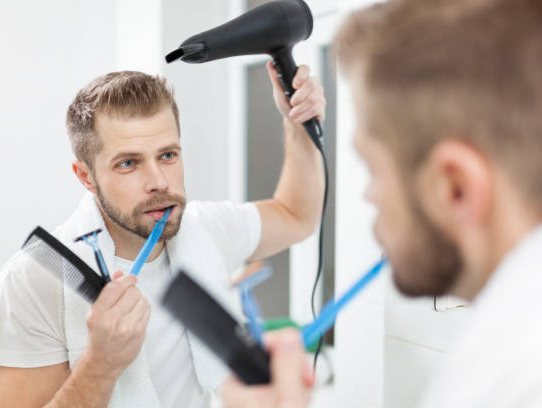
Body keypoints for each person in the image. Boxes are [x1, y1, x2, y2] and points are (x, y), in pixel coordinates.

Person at [222, 0, 542, 407]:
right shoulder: (510, 337)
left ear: (455, 188)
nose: (368, 196)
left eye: (374, 170)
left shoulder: (509, 384)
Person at [0, 63, 325, 407]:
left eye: (167, 155)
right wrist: (100, 366)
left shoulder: (206, 228)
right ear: (86, 176)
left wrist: (297, 123)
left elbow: (296, 215)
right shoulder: (33, 280)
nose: (159, 181)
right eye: (128, 163)